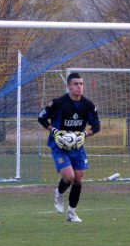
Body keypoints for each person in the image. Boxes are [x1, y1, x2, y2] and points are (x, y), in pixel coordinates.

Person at [37, 73, 101, 222]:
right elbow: (41, 118)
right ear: (68, 86)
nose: (79, 87)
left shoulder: (88, 105)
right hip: (59, 146)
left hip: (77, 147)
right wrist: (54, 131)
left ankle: (71, 213)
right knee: (69, 177)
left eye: (81, 84)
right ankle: (59, 193)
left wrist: (84, 134)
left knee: (78, 179)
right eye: (76, 84)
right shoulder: (58, 103)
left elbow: (97, 126)